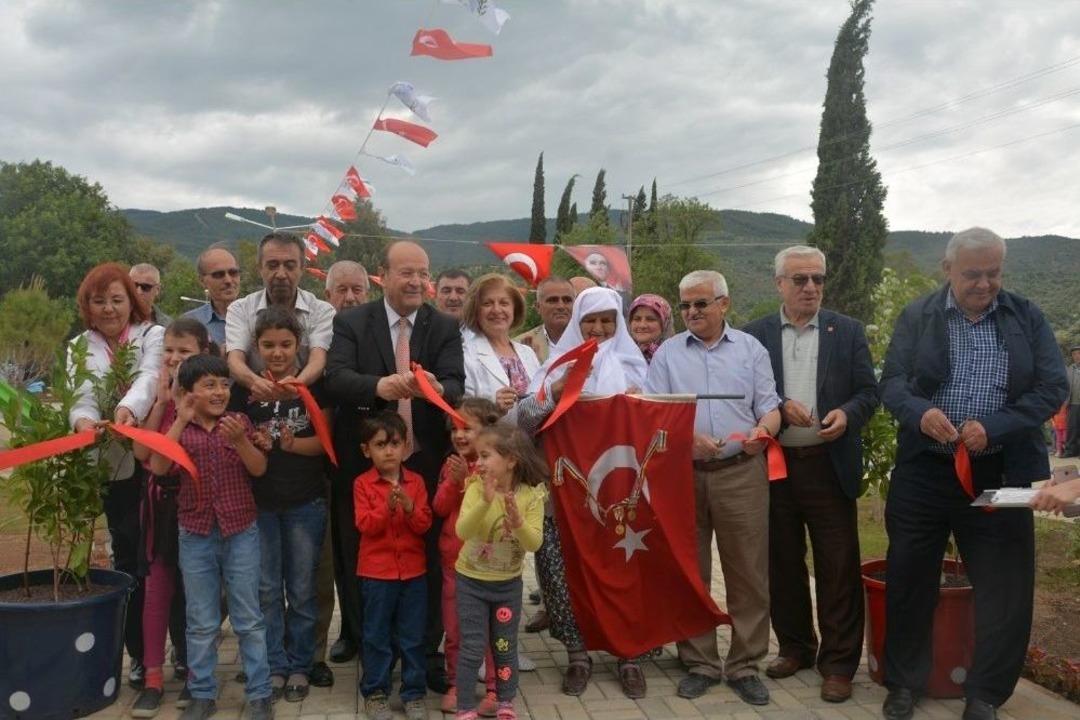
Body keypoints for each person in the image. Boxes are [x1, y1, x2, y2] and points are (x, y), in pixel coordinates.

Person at [878, 228, 1068, 720]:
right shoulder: (918, 315)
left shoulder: (1026, 316)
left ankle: (985, 694)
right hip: (925, 470)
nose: (985, 284)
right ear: (947, 270)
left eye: (993, 273)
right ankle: (904, 683)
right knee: (909, 576)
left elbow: (1052, 388)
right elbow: (892, 381)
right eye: (973, 274)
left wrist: (995, 425)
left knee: (1004, 586)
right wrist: (919, 413)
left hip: (1000, 472)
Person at [324, 239, 465, 694]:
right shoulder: (351, 322)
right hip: (364, 463)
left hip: (424, 461)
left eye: (423, 273)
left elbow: (455, 382)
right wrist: (379, 387)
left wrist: (433, 388)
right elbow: (336, 378)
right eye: (406, 272)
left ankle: (425, 651)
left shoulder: (443, 326)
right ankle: (370, 649)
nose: (416, 281)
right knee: (362, 557)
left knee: (428, 557)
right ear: (383, 275)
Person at [743, 246, 879, 704]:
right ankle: (796, 646)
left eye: (818, 279)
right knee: (782, 562)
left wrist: (848, 413)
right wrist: (779, 407)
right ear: (778, 283)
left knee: (838, 566)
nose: (810, 287)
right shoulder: (755, 334)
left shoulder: (848, 331)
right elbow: (746, 394)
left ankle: (838, 664)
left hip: (829, 465)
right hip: (776, 466)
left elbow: (868, 392)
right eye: (800, 279)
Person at [645, 270, 781, 707]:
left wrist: (763, 431)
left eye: (700, 303)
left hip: (741, 471)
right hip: (682, 475)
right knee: (691, 571)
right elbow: (653, 413)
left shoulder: (751, 350)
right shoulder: (667, 354)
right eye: (685, 305)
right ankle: (699, 662)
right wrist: (687, 439)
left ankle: (745, 664)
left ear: (724, 304)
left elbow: (770, 407)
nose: (691, 312)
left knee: (748, 572)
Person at [519, 286, 651, 699]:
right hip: (566, 489)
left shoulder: (636, 367)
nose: (598, 328)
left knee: (624, 571)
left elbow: (657, 424)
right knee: (562, 573)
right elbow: (523, 420)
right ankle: (577, 656)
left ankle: (628, 656)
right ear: (577, 323)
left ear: (618, 323)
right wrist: (554, 394)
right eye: (589, 320)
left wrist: (640, 407)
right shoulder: (556, 366)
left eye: (607, 320)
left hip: (620, 494)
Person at [146, 354, 274, 720]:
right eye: (209, 385)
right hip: (196, 533)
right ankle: (202, 693)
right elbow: (159, 466)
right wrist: (179, 417)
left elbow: (259, 469)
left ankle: (260, 693)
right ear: (188, 392)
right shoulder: (181, 430)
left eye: (223, 384)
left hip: (240, 530)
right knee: (201, 619)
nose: (219, 392)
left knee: (248, 617)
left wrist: (242, 442)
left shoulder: (239, 422)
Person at [71, 262, 165, 691]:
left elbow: (149, 377)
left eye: (117, 299)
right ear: (87, 306)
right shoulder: (79, 347)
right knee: (129, 559)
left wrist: (128, 410)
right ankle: (138, 654)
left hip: (157, 460)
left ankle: (180, 652)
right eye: (99, 301)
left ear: (133, 301)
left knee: (166, 558)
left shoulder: (152, 336)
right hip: (114, 468)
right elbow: (81, 395)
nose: (108, 309)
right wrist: (83, 420)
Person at [231, 307, 332, 703]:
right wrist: (251, 442)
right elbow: (235, 439)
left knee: (303, 589)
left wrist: (290, 444)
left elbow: (324, 444)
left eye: (286, 345)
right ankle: (273, 664)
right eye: (269, 345)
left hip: (306, 502)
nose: (277, 352)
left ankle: (300, 665)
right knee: (268, 589)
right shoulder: (244, 390)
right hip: (260, 504)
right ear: (256, 347)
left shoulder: (315, 386)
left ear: (299, 345)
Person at [130, 318, 212, 717]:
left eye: (185, 351)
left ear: (204, 354)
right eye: (169, 350)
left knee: (196, 596)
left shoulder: (210, 398)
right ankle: (152, 678)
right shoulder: (157, 398)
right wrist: (163, 403)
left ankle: (196, 674)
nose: (175, 358)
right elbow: (142, 454)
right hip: (160, 508)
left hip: (196, 507)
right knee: (156, 592)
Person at [453, 424, 546, 720]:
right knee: (472, 647)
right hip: (471, 583)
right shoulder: (475, 487)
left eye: (485, 455)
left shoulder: (531, 496)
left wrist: (518, 523)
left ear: (511, 460)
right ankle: (465, 706)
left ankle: (506, 701)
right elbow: (462, 531)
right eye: (478, 456)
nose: (478, 462)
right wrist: (485, 501)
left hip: (507, 587)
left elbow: (534, 543)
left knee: (504, 646)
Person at [353, 411, 433, 720]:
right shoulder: (362, 484)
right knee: (376, 635)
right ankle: (375, 692)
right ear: (366, 450)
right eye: (380, 444)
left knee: (413, 636)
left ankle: (413, 693)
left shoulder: (416, 482)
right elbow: (364, 525)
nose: (388, 451)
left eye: (395, 443)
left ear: (406, 446)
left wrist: (410, 508)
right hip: (377, 574)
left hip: (413, 573)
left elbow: (424, 525)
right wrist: (386, 510)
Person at [433, 398, 501, 715]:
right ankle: (457, 685)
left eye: (467, 429)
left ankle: (495, 689)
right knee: (455, 629)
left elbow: (496, 510)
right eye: (454, 428)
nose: (459, 435)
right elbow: (439, 508)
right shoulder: (450, 466)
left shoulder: (496, 466)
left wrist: (471, 481)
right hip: (454, 564)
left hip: (487, 565)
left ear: (487, 431)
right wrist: (453, 481)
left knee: (489, 631)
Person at [225, 232, 335, 402]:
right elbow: (234, 360)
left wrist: (296, 386)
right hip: (253, 401)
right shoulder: (240, 309)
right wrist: (257, 384)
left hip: (309, 401)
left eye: (290, 266)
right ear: (260, 268)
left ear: (302, 268)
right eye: (272, 265)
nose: (281, 274)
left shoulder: (322, 311)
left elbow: (318, 360)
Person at [462, 274, 541, 422]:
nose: (497, 310)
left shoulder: (528, 353)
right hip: (490, 437)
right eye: (487, 303)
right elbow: (462, 417)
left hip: (534, 437)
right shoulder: (465, 356)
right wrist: (494, 410)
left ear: (515, 309)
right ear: (475, 310)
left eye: (504, 303)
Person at [183, 246, 241, 349]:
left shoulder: (257, 317)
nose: (228, 280)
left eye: (233, 273)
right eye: (218, 275)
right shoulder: (189, 323)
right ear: (202, 281)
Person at [515, 277, 575, 365]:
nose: (561, 306)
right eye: (553, 301)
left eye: (567, 300)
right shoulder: (519, 346)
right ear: (538, 307)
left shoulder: (589, 341)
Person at [627, 293, 674, 363]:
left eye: (650, 319)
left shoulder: (676, 356)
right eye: (637, 319)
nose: (642, 325)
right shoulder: (620, 355)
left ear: (665, 324)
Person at [1063, 346, 1080, 457]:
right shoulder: (1069, 369)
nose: (1077, 356)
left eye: (1079, 353)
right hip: (1073, 403)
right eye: (1074, 354)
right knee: (1072, 428)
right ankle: (1070, 451)